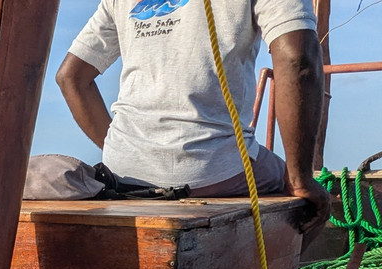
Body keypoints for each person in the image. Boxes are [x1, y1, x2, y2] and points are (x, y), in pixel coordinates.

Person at [56, 0, 331, 242]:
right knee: (310, 203)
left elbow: (70, 77)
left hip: (122, 172)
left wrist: (130, 151)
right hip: (217, 168)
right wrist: (300, 179)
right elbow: (298, 60)